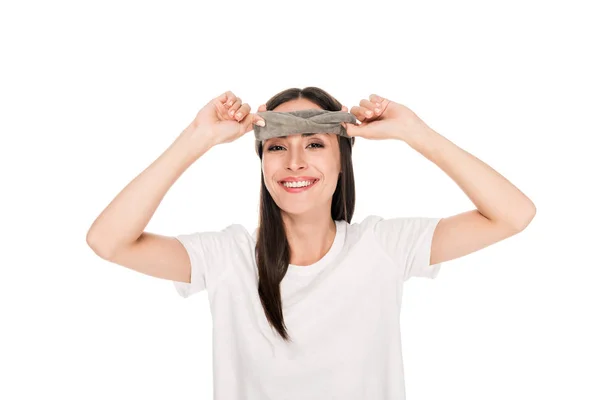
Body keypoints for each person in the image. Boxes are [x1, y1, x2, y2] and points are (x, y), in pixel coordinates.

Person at [86, 86, 536, 400]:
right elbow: (108, 241)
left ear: (343, 159)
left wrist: (414, 132)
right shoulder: (226, 257)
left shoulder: (383, 246)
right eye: (277, 147)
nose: (295, 162)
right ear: (261, 162)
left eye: (316, 144)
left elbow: (513, 214)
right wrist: (197, 138)